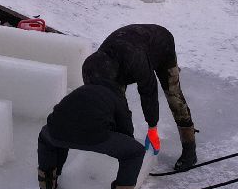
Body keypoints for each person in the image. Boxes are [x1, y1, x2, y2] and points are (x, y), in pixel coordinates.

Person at [82, 23, 199, 170]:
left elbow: (149, 91)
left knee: (174, 96)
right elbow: (110, 103)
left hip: (162, 44)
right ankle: (126, 148)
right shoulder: (92, 68)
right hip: (132, 46)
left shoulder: (134, 60)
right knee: (117, 104)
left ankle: (190, 150)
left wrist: (152, 128)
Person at [34, 76, 146, 189]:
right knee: (135, 152)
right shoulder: (117, 97)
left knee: (47, 139)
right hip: (94, 135)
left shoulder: (82, 90)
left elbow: (59, 114)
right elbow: (127, 132)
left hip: (57, 130)